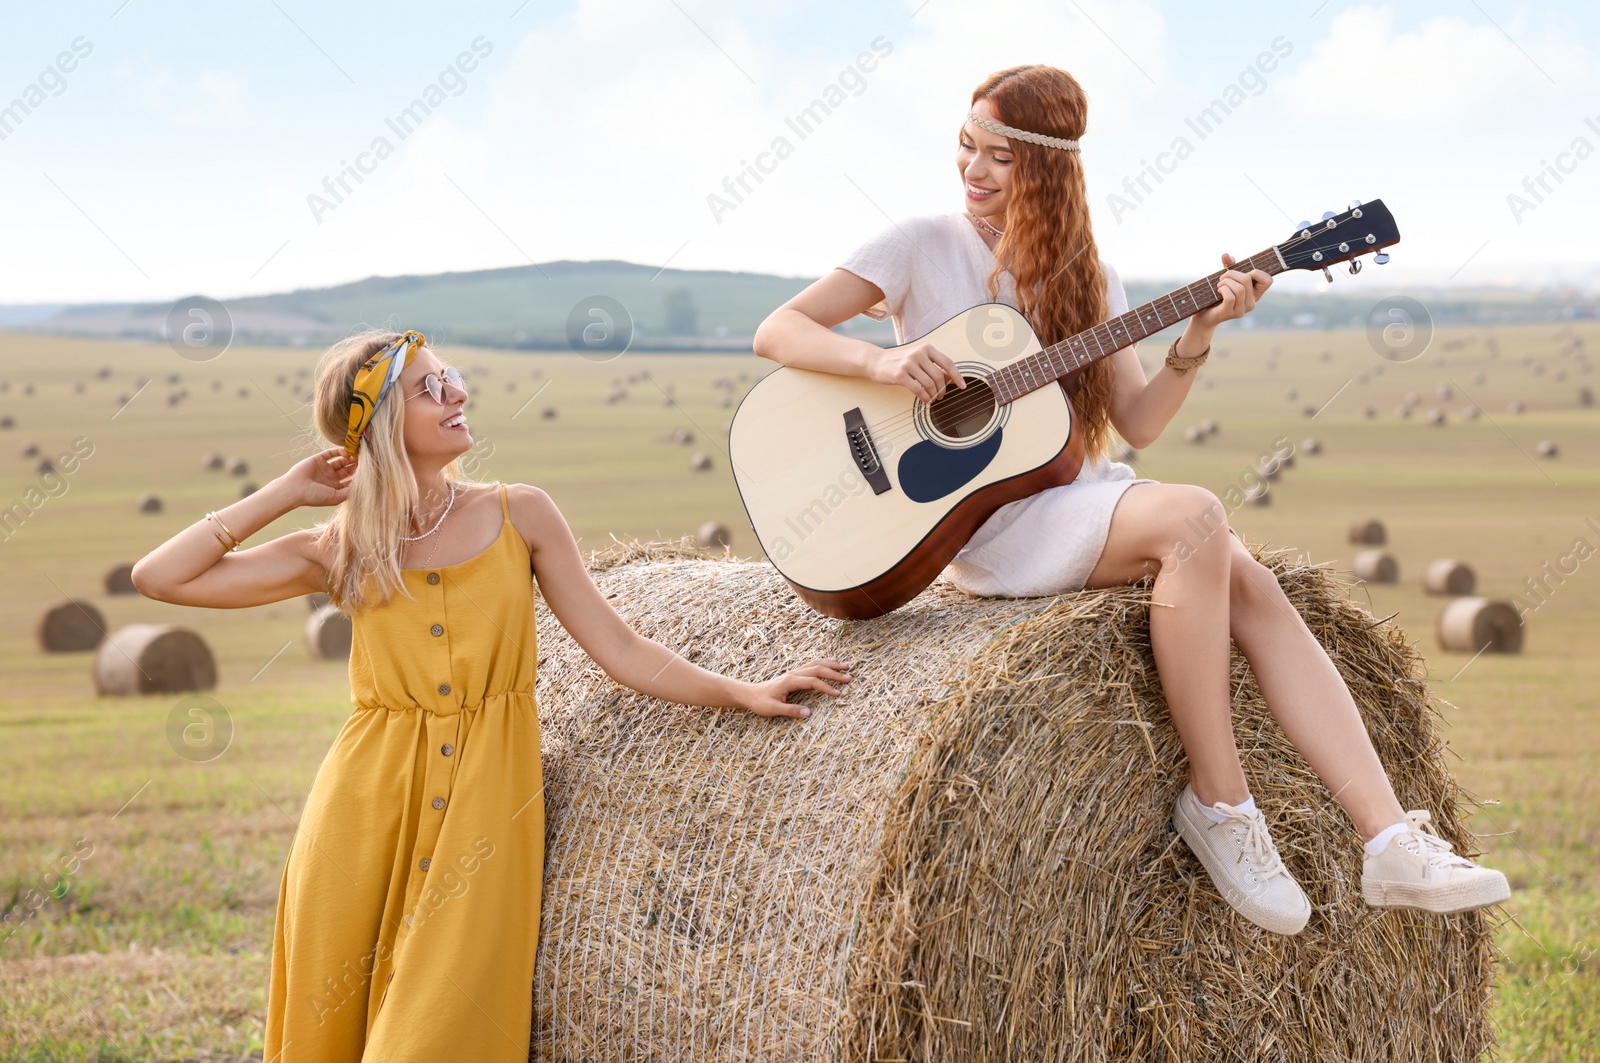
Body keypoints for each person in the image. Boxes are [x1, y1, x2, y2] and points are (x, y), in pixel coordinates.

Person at [751, 65, 1507, 935]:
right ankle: (1221, 801)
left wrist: (1199, 333)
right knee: (1195, 519)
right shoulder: (920, 241)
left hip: (1072, 494)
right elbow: (780, 330)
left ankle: (1389, 841)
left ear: (1050, 169)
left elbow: (1139, 423)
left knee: (1249, 581)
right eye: (966, 146)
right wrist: (883, 363)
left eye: (1000, 157)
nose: (975, 170)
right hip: (984, 521)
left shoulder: (1087, 275)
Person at [130, 329, 851, 1061]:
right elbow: (162, 577)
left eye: (454, 378)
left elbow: (622, 648)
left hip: (486, 816)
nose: (457, 394)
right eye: (430, 388)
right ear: (381, 425)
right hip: (361, 814)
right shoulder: (341, 545)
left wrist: (742, 691)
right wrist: (288, 491)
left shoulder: (521, 514)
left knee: (436, 1034)